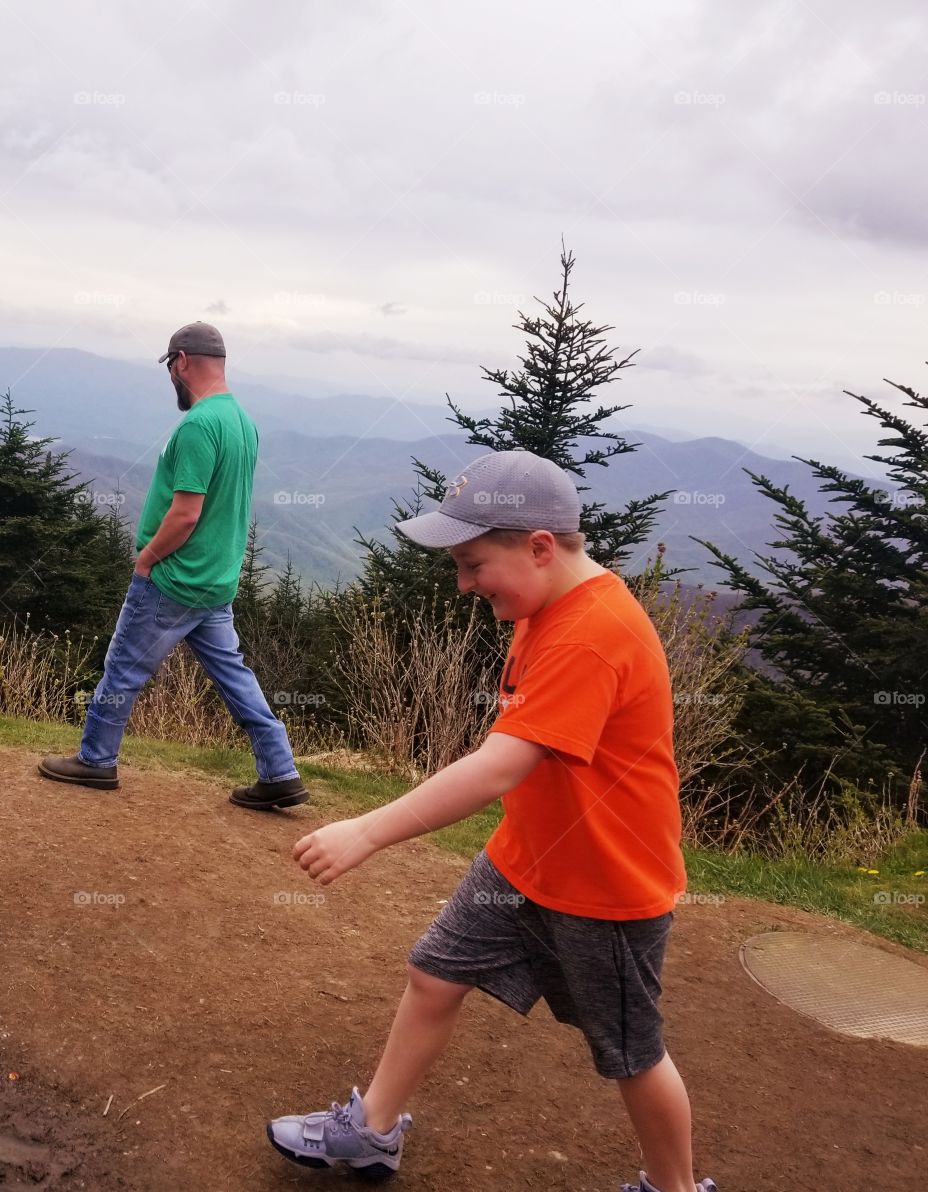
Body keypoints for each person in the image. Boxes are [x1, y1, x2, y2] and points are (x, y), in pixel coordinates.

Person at [266, 450, 716, 1192]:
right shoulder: (547, 603)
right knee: (434, 973)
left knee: (632, 1054)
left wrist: (367, 830)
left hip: (604, 886)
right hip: (526, 858)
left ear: (539, 545)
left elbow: (499, 765)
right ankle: (371, 1133)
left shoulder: (588, 634)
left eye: (473, 563)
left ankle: (672, 1188)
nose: (464, 584)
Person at [39, 321, 309, 811]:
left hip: (174, 579)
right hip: (216, 581)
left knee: (122, 670)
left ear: (181, 361)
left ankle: (96, 760)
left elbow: (186, 513)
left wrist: (145, 561)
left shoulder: (198, 425)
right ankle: (280, 770)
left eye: (170, 366)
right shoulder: (242, 421)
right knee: (235, 676)